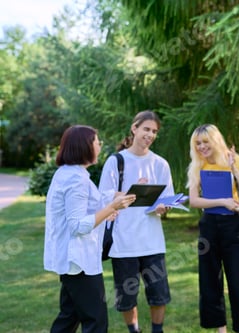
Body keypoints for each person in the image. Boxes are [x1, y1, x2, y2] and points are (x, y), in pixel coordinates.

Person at [44, 125, 136, 333]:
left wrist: (116, 200)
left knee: (69, 317)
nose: (100, 146)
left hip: (73, 261)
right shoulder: (75, 179)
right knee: (96, 321)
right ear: (84, 146)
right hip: (78, 262)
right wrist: (112, 208)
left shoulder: (72, 173)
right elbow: (77, 226)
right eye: (97, 142)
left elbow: (91, 205)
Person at [98, 110, 174, 333]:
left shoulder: (160, 164)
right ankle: (134, 331)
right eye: (146, 129)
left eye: (154, 131)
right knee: (126, 296)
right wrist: (129, 194)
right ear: (134, 128)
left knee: (159, 293)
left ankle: (157, 330)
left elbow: (167, 198)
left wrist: (164, 207)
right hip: (123, 242)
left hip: (152, 241)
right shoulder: (116, 161)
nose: (150, 135)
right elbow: (103, 194)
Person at [187, 124, 239, 333]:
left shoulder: (233, 160)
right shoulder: (197, 165)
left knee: (238, 281)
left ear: (215, 140)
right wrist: (222, 201)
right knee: (210, 280)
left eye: (205, 142)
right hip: (209, 226)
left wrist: (234, 168)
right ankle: (220, 329)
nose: (201, 147)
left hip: (233, 227)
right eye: (197, 143)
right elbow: (194, 201)